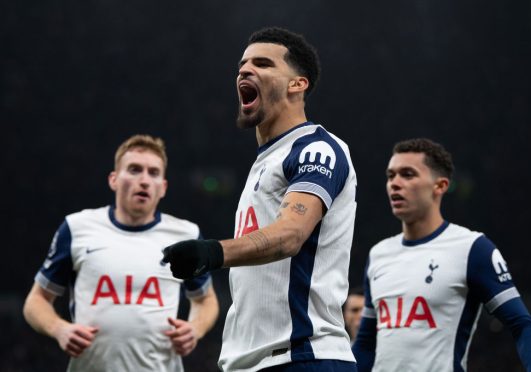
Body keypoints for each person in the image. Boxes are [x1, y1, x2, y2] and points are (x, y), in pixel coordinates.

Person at [162, 27, 358, 371]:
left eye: (263, 63)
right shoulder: (266, 161)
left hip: (301, 356)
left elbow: (290, 235)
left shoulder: (316, 148)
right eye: (242, 64)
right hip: (251, 361)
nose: (245, 70)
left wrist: (212, 252)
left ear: (297, 84)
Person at [23, 134, 219, 372]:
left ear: (163, 187)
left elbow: (206, 299)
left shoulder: (185, 234)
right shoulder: (76, 228)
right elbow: (36, 300)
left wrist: (195, 328)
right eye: (135, 170)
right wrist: (59, 328)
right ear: (114, 179)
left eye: (153, 173)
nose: (144, 180)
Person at [352, 138, 531, 372]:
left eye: (408, 174)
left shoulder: (472, 248)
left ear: (440, 185)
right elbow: (365, 344)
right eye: (390, 175)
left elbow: (522, 325)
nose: (395, 183)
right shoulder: (379, 254)